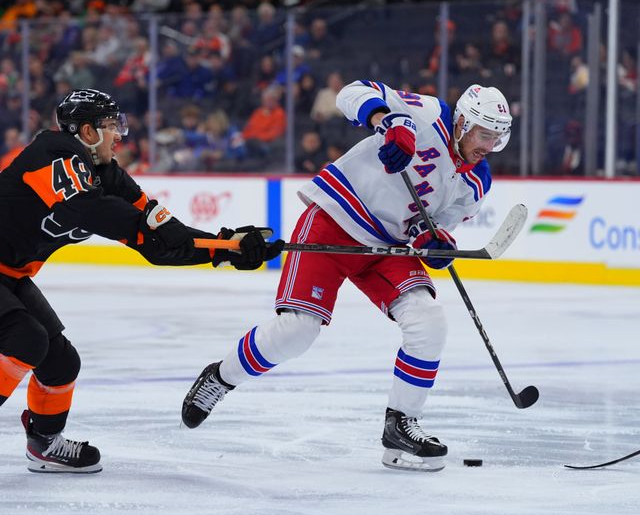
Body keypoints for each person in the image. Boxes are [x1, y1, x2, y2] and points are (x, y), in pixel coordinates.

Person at [0, 88, 283, 489]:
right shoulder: (53, 150)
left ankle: (44, 444)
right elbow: (87, 209)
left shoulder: (108, 175)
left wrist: (226, 248)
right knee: (24, 341)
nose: (120, 136)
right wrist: (155, 226)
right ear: (87, 130)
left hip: (5, 270)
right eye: (113, 127)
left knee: (60, 361)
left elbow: (160, 243)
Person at [181, 81, 512, 472]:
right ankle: (221, 377)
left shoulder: (478, 181)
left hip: (387, 248)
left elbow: (434, 225)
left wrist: (435, 241)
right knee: (297, 332)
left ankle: (400, 427)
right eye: (484, 134)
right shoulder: (428, 113)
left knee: (428, 320)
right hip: (336, 220)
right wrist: (390, 122)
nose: (488, 146)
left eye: (496, 137)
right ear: (461, 123)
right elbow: (350, 92)